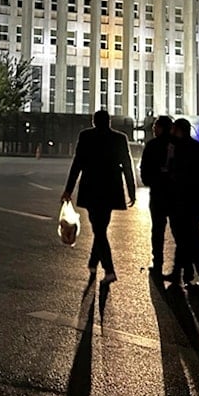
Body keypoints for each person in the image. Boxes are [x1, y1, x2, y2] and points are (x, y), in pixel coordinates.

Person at [62, 109, 136, 284]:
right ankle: (93, 263)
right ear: (109, 122)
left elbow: (77, 163)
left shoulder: (86, 136)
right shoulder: (120, 138)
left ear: (94, 122)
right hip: (111, 189)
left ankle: (109, 270)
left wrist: (68, 190)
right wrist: (131, 191)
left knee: (99, 229)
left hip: (92, 187)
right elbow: (127, 165)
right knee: (101, 227)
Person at [167, 118, 199, 298]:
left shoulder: (179, 149)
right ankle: (180, 273)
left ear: (179, 131)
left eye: (174, 130)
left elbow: (173, 174)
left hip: (185, 202)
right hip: (195, 202)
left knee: (192, 241)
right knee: (185, 239)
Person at [138, 115, 175, 277]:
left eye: (155, 126)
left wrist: (150, 180)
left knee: (158, 230)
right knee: (180, 232)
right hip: (176, 193)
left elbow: (144, 168)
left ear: (161, 128)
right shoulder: (179, 144)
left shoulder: (152, 145)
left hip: (159, 192)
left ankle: (158, 263)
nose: (153, 129)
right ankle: (183, 270)